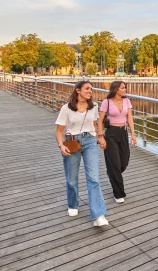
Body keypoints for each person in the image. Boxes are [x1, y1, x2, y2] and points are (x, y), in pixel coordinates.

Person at [55, 80, 109, 226]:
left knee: (94, 179)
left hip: (90, 141)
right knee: (71, 179)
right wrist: (61, 145)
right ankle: (73, 204)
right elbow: (59, 131)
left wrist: (100, 137)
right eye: (87, 89)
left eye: (91, 89)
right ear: (78, 90)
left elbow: (95, 124)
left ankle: (99, 215)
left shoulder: (94, 107)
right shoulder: (66, 109)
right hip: (72, 143)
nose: (90, 91)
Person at [98, 81, 137, 203]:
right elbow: (100, 120)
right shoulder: (107, 102)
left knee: (124, 161)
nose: (125, 90)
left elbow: (129, 117)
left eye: (125, 88)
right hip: (111, 134)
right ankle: (118, 193)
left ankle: (112, 172)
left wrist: (133, 134)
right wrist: (101, 136)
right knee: (115, 163)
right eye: (122, 88)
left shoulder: (127, 101)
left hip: (123, 132)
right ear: (115, 89)